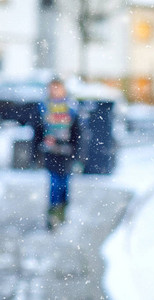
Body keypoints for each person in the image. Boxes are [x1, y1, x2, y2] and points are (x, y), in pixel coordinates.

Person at [39, 78, 81, 230]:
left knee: (64, 183)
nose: (55, 91)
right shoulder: (44, 108)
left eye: (57, 88)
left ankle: (62, 209)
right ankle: (53, 214)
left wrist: (77, 155)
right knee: (54, 183)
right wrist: (37, 151)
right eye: (52, 88)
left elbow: (78, 133)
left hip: (67, 153)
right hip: (51, 153)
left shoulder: (72, 108)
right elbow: (37, 130)